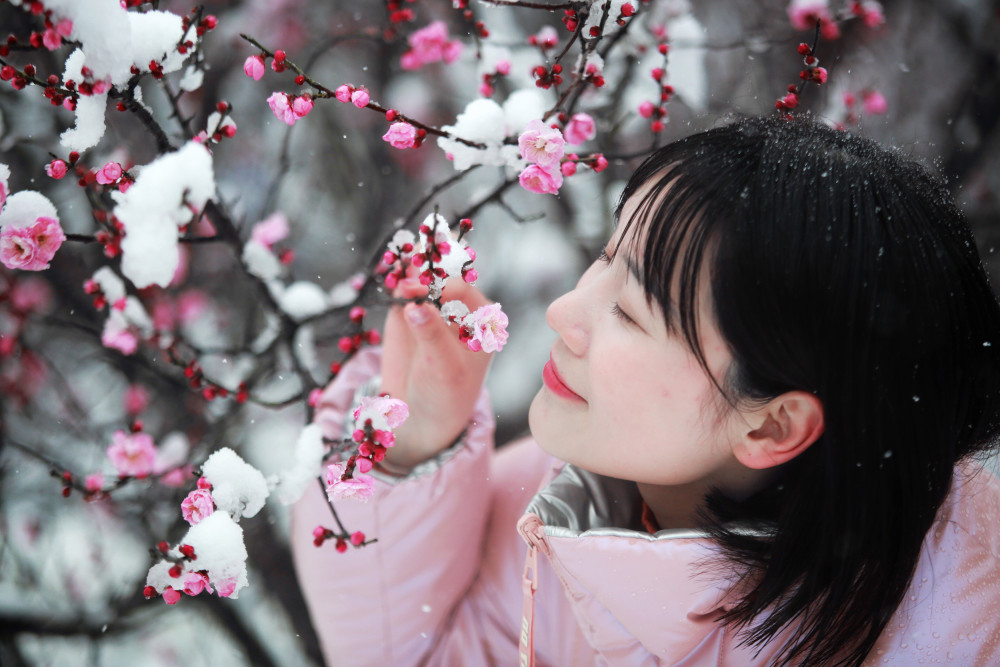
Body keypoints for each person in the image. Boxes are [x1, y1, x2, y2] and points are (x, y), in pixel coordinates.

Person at [291, 116, 1000, 666]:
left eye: (631, 310)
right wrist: (419, 441)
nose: (565, 312)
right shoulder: (572, 514)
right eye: (604, 256)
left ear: (772, 426)